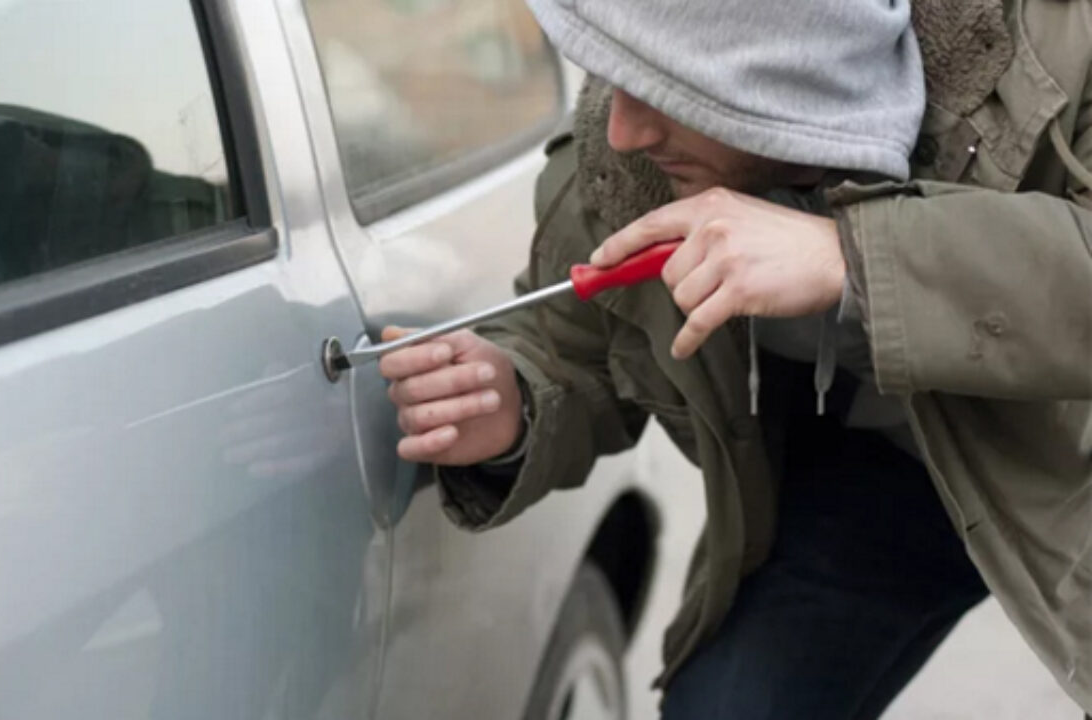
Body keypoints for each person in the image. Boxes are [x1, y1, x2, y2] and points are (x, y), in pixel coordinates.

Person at [379, 0, 1092, 717]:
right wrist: (512, 401)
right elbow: (573, 348)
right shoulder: (619, 167)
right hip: (880, 481)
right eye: (615, 74)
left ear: (783, 72)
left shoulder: (1057, 50)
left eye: (666, 89)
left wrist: (853, 259)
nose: (624, 131)